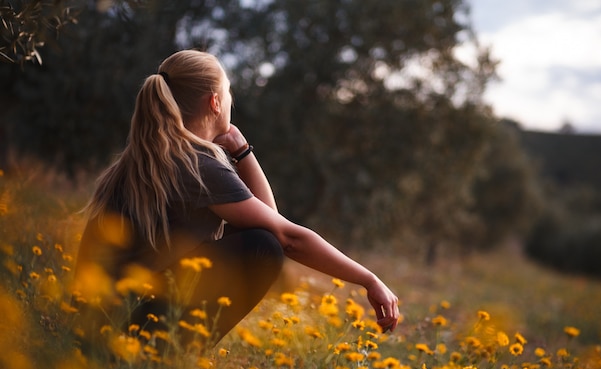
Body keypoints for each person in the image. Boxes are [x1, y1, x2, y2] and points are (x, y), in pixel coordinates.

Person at [75, 49, 399, 344]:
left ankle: (154, 350)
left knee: (260, 237)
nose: (231, 101)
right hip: (122, 332)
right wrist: (369, 280)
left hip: (96, 321)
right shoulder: (198, 164)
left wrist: (242, 151)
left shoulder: (147, 157)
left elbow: (267, 219)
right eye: (229, 93)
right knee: (262, 248)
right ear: (215, 102)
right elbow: (284, 237)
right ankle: (164, 356)